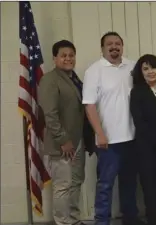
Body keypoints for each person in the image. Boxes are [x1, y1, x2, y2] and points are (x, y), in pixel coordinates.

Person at [82, 31, 143, 225]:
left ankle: (130, 219)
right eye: (110, 44)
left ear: (122, 46)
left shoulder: (133, 67)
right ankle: (102, 221)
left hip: (132, 138)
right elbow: (89, 105)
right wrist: (99, 134)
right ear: (102, 48)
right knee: (105, 185)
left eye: (118, 43)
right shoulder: (94, 71)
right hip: (108, 141)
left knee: (130, 183)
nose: (114, 46)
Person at [38, 40, 94, 225]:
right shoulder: (50, 80)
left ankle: (74, 219)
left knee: (76, 183)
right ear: (55, 58)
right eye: (63, 55)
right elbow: (50, 114)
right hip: (62, 144)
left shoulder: (75, 79)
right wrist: (63, 139)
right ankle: (63, 222)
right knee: (62, 186)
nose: (68, 58)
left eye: (71, 55)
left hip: (78, 142)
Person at [129, 54, 156, 225]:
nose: (150, 71)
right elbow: (139, 121)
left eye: (153, 67)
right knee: (150, 189)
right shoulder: (137, 92)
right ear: (141, 72)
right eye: (145, 68)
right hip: (147, 147)